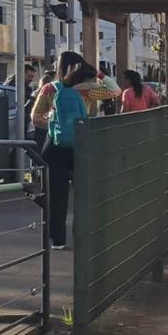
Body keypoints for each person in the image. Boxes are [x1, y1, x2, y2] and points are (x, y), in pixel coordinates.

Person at [30, 52, 117, 249]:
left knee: (56, 198)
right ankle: (86, 237)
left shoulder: (49, 89)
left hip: (55, 148)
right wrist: (99, 73)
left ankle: (57, 240)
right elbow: (115, 90)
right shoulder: (84, 91)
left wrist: (54, 122)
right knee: (86, 194)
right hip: (80, 147)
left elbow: (35, 118)